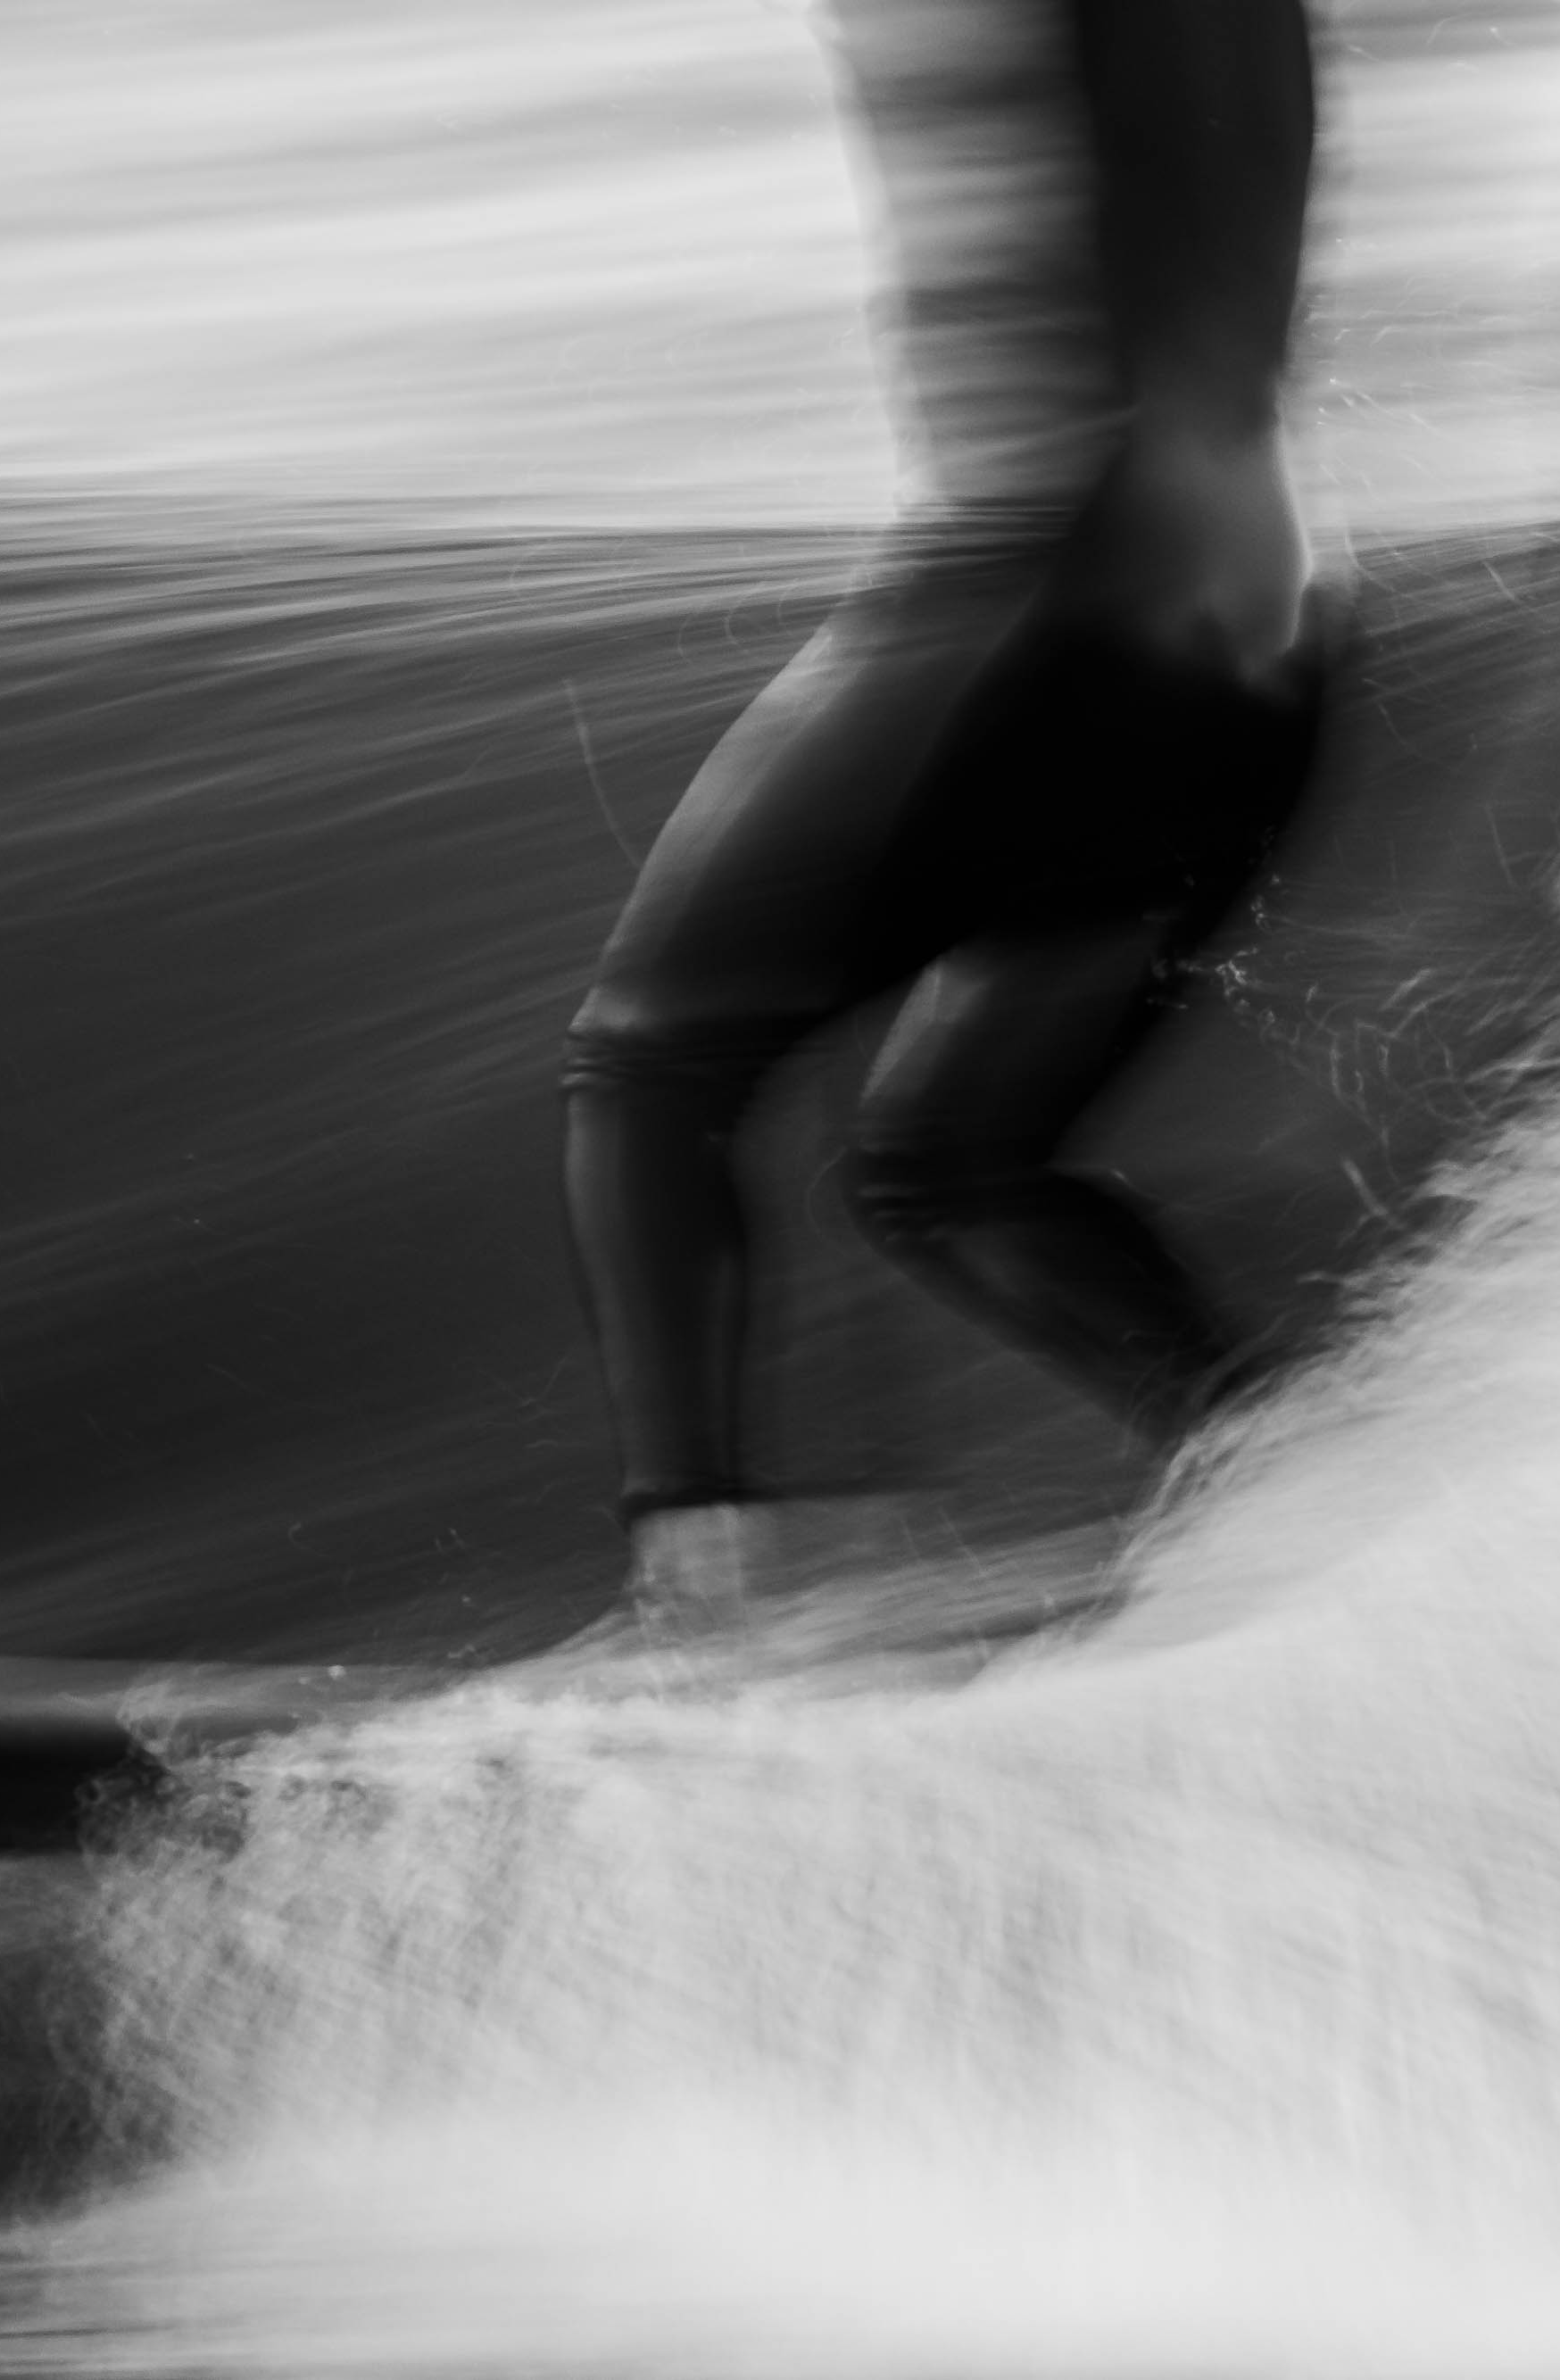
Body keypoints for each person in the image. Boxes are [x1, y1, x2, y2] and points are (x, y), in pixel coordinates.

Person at [561, 0, 1332, 1627]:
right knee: (946, 1164)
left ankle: (710, 1601)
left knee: (651, 1067)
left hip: (1055, 595)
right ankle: (1314, 1515)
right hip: (1264, 628)